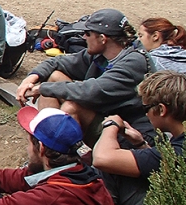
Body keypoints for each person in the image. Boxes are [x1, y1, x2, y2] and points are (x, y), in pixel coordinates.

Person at [16, 8, 154, 143]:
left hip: (133, 135)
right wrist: (32, 77)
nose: (83, 37)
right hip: (110, 116)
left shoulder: (134, 62)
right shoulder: (101, 54)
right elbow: (57, 62)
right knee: (55, 76)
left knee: (71, 106)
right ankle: (47, 148)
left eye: (88, 33)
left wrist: (41, 88)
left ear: (102, 38)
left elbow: (91, 91)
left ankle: (63, 156)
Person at [92, 70, 186, 205]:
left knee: (114, 169)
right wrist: (141, 144)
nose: (146, 115)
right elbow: (162, 165)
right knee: (126, 154)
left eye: (146, 109)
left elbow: (103, 158)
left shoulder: (180, 150)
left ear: (162, 110)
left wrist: (111, 125)